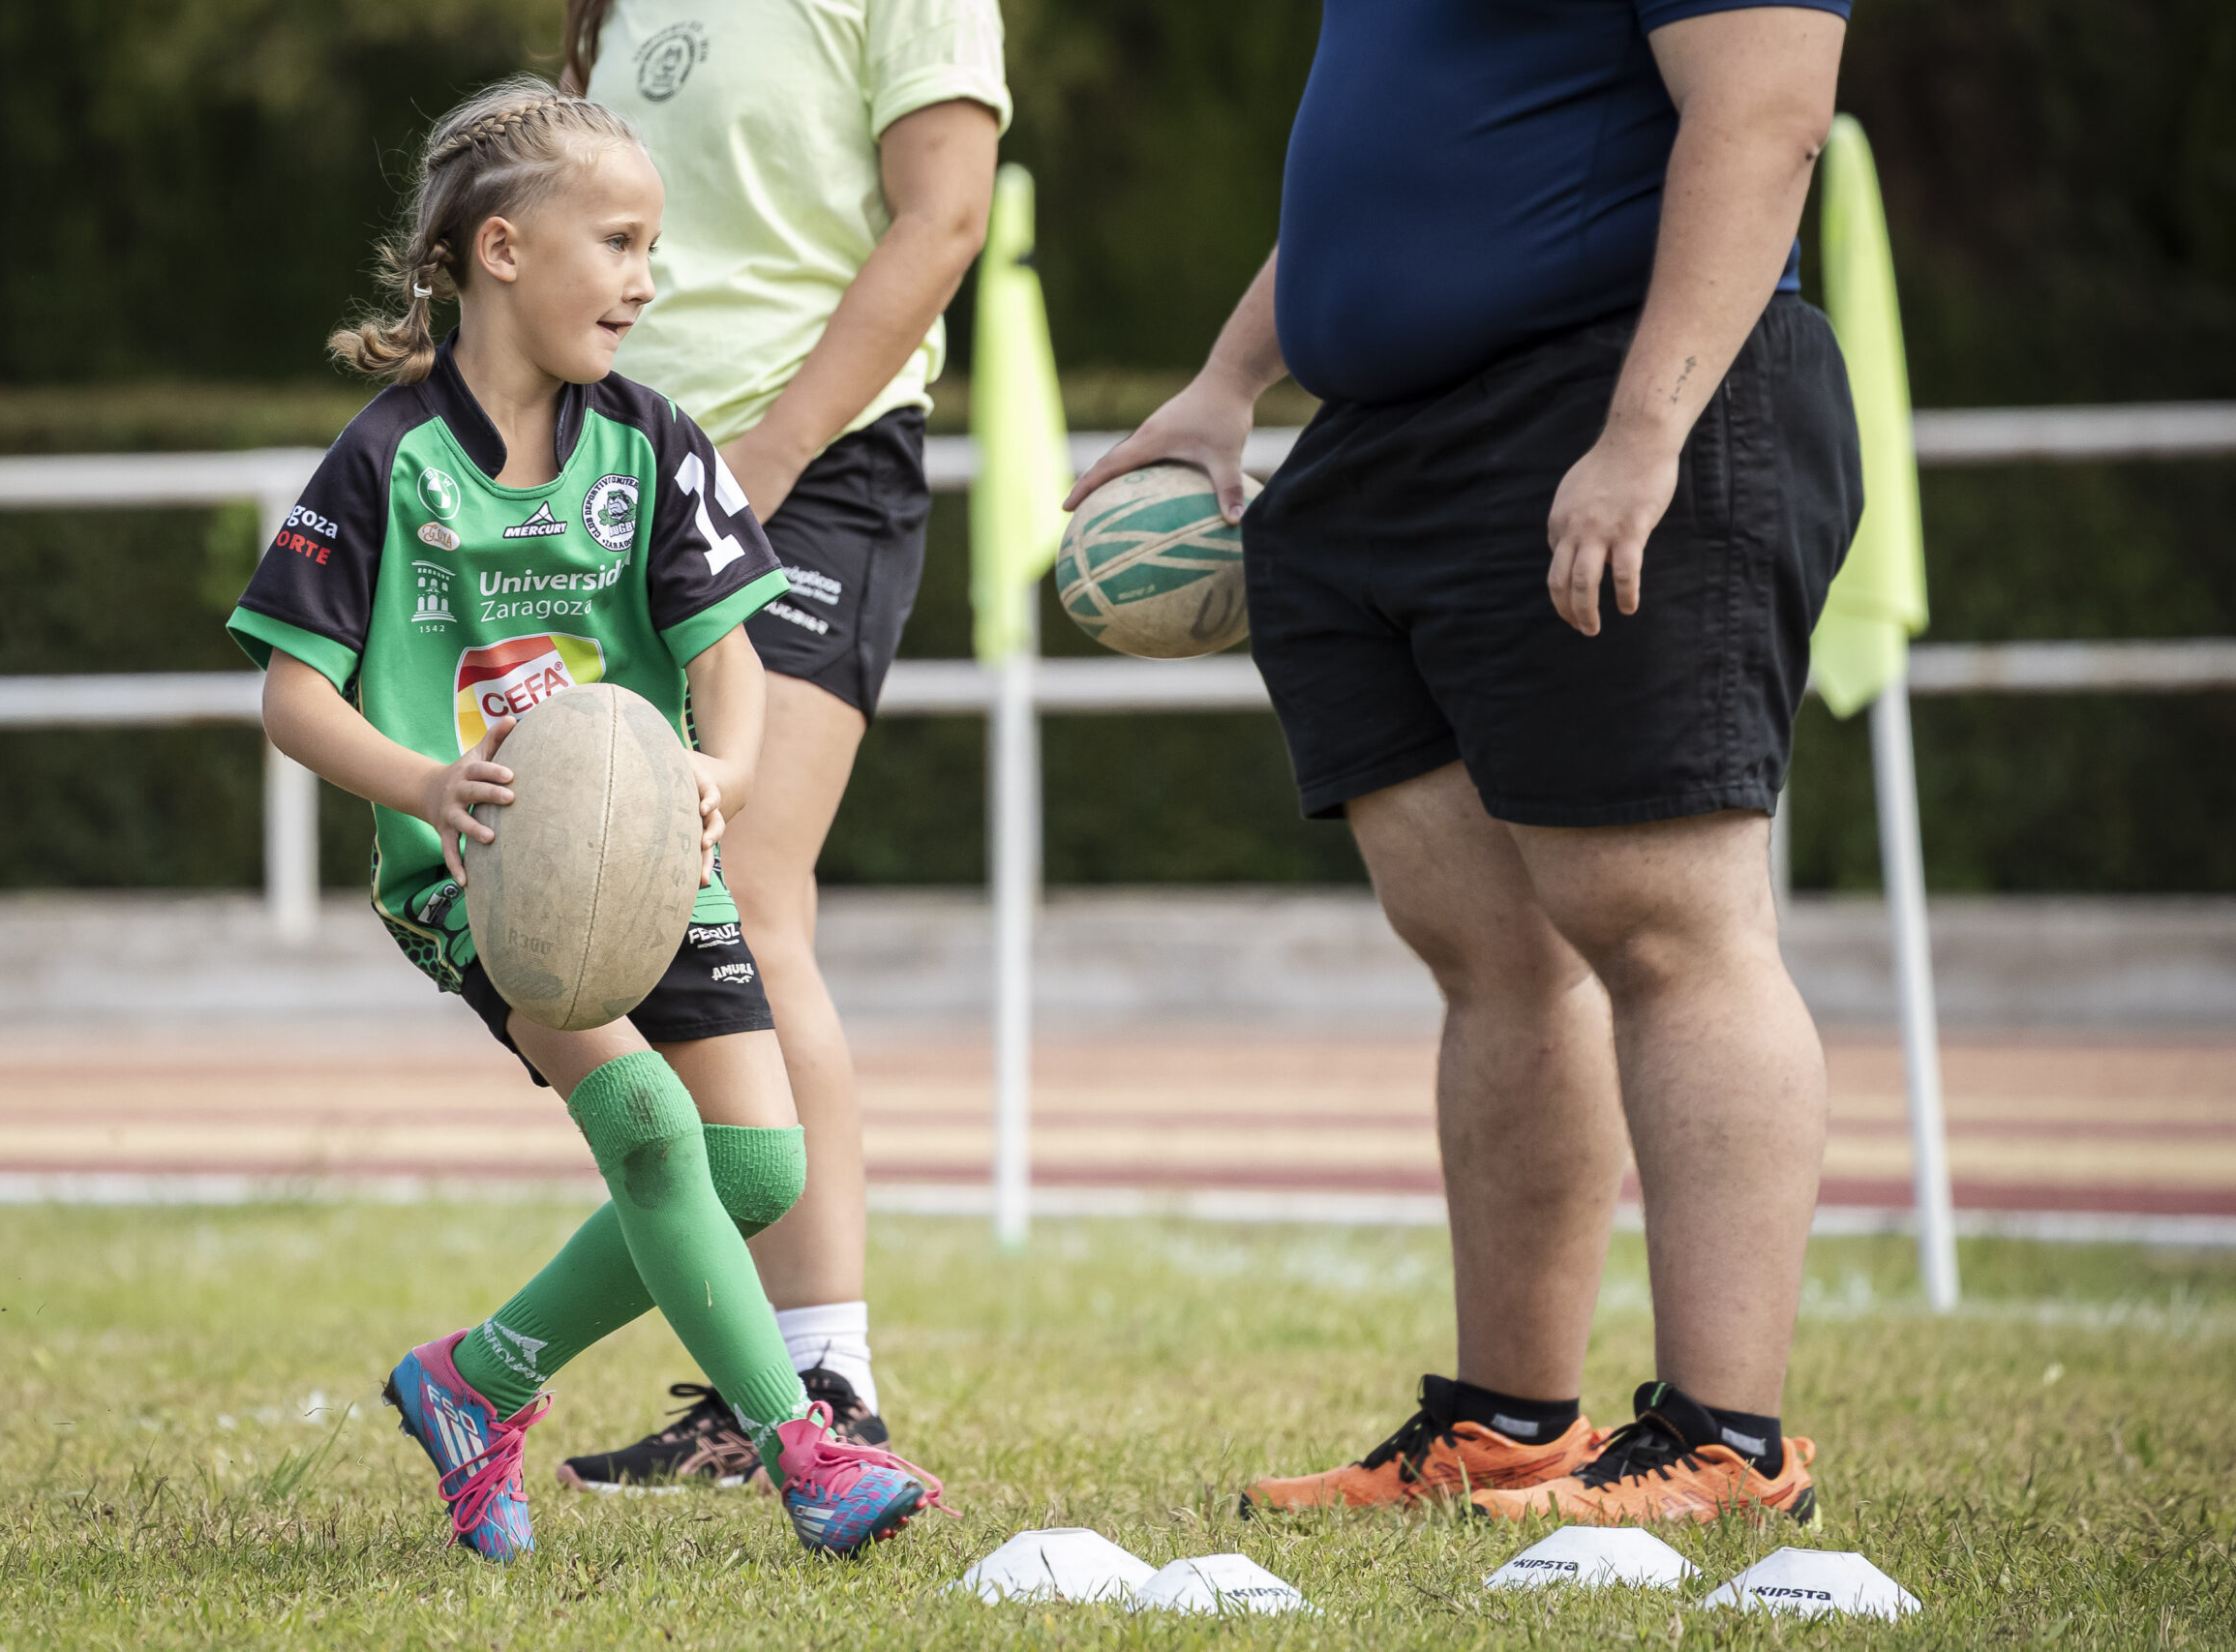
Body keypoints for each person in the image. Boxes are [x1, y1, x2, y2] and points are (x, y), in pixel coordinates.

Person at [1070, 0, 1862, 1525]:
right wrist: (1233, 377)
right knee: (1488, 951)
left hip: (1611, 399)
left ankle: (1728, 1443)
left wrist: (1645, 434)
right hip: (1382, 437)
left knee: (1667, 925)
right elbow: (1407, 161)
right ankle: (1508, 1422)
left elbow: (1764, 117)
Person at [228, 77, 945, 1559]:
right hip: (488, 875)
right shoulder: (387, 461)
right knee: (645, 1121)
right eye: (615, 240)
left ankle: (473, 1379)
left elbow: (730, 661)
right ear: (500, 250)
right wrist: (424, 784)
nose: (643, 277)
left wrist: (725, 777)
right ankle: (801, 1451)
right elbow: (293, 700)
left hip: (652, 863)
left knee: (758, 1167)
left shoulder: (655, 446)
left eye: (650, 247)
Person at [550, 0, 1007, 1488]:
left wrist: (763, 459)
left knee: (742, 895)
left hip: (800, 466)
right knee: (645, 917)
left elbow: (944, 219)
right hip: (620, 483)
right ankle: (754, 1387)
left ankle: (826, 1386)